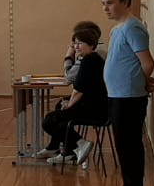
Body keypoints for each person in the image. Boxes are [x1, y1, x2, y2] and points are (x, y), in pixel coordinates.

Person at [100, 0, 154, 186]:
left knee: (129, 147)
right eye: (103, 4)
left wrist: (141, 83)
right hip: (118, 96)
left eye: (110, 3)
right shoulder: (117, 29)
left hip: (129, 98)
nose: (106, 8)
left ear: (125, 2)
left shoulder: (133, 28)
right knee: (124, 147)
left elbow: (147, 63)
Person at [39, 25, 107, 165]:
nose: (76, 47)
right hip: (93, 103)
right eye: (75, 43)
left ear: (91, 45)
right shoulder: (90, 58)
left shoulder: (89, 60)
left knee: (49, 120)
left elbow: (78, 89)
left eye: (80, 43)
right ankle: (68, 152)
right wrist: (68, 102)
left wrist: (69, 105)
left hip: (95, 108)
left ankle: (80, 143)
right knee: (60, 111)